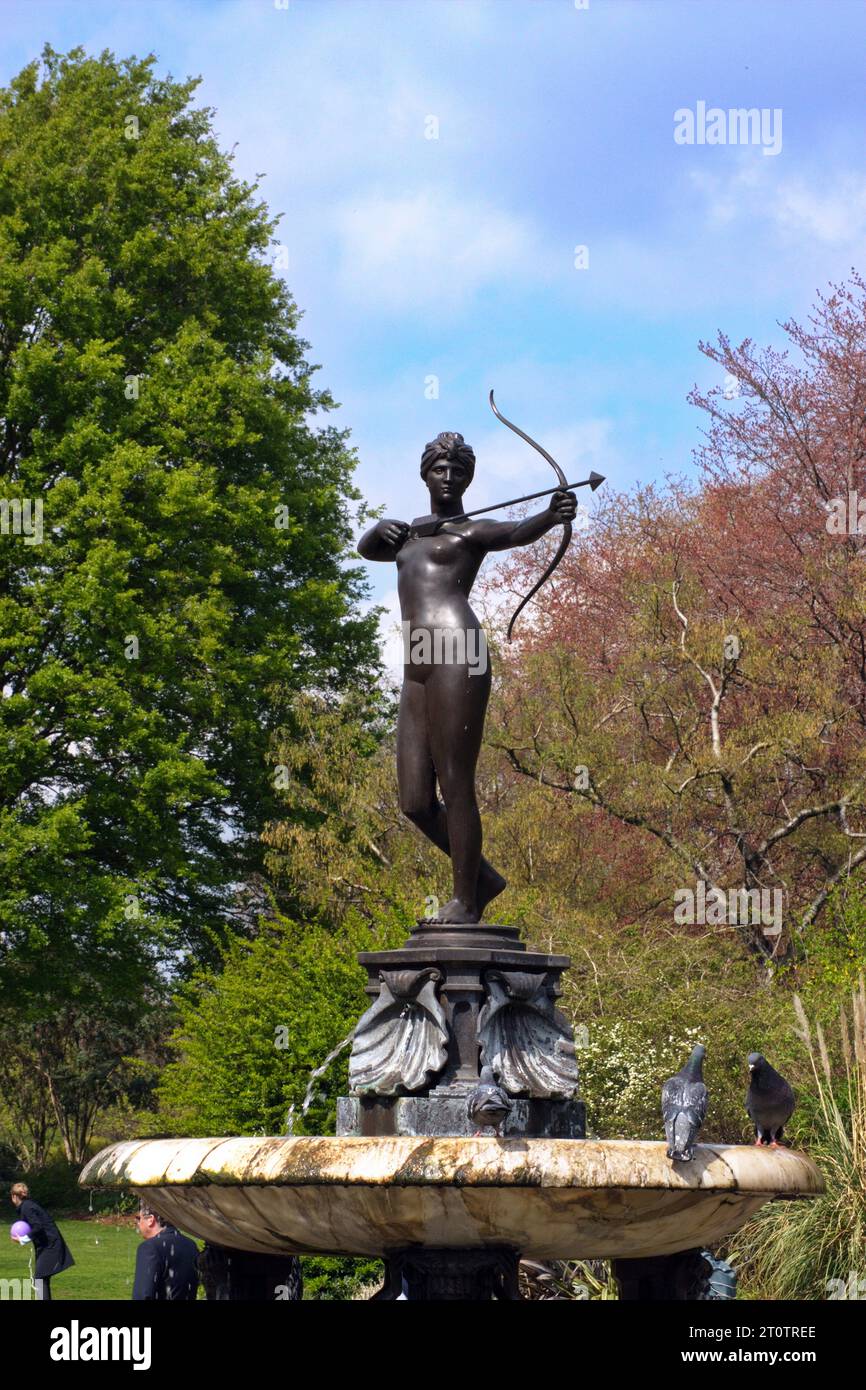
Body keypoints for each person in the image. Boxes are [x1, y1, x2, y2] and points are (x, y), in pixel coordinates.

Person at [358, 430, 576, 924]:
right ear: (426, 474)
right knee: (414, 799)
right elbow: (369, 549)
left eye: (459, 471)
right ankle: (482, 878)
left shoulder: (469, 532)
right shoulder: (411, 534)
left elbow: (516, 531)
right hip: (417, 660)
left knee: (456, 781)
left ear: (469, 478)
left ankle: (465, 902)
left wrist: (552, 513)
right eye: (441, 469)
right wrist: (378, 529)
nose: (449, 478)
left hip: (458, 648)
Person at [10, 1181, 75, 1300]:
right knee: (42, 1278)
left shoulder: (26, 1207)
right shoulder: (28, 1205)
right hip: (46, 1245)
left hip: (50, 1245)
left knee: (40, 1278)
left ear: (14, 1196)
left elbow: (38, 1226)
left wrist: (23, 1239)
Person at [132, 1202, 199, 1300]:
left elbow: (143, 1295)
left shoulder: (150, 1247)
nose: (138, 1223)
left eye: (139, 1218)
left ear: (151, 1219)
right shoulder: (190, 1244)